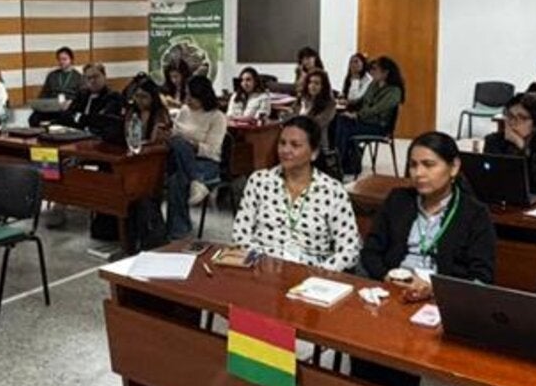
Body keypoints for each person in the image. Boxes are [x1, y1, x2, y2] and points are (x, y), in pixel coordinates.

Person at [355, 131, 496, 386]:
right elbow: (371, 251)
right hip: (392, 294)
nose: (419, 173)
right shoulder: (399, 200)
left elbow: (482, 277)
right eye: (413, 165)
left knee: (403, 351)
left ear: (453, 167)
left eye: (429, 165)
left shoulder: (474, 213)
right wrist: (386, 276)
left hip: (439, 302)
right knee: (365, 345)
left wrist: (434, 288)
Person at [230, 115, 361, 271]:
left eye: (295, 145)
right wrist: (260, 264)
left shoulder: (332, 191)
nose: (285, 150)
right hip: (262, 267)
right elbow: (240, 234)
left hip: (311, 272)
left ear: (314, 153)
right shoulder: (259, 181)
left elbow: (350, 248)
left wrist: (321, 273)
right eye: (282, 143)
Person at [165, 75, 228, 238]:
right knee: (177, 143)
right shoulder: (184, 111)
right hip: (181, 159)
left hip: (207, 163)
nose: (187, 100)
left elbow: (213, 151)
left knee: (176, 179)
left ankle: (177, 232)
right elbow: (174, 134)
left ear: (203, 96)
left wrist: (192, 146)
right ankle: (196, 181)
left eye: (192, 97)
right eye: (186, 95)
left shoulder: (217, 117)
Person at [333, 56, 405, 177]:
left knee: (345, 128)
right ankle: (343, 163)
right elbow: (362, 100)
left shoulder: (394, 91)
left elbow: (377, 109)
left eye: (375, 69)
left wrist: (357, 115)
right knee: (339, 120)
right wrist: (348, 103)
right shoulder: (374, 84)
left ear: (385, 72)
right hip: (365, 121)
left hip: (379, 127)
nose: (372, 72)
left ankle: (340, 164)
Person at [292, 67, 337, 166]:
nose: (312, 86)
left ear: (323, 86)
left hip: (317, 145)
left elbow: (316, 124)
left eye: (317, 83)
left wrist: (303, 115)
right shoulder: (302, 99)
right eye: (310, 82)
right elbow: (292, 116)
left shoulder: (330, 104)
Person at [70, 63, 127, 139]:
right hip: (77, 136)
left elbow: (101, 120)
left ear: (104, 76)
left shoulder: (113, 96)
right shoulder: (82, 95)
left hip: (99, 139)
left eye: (96, 76)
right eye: (89, 78)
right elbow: (69, 114)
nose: (92, 81)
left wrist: (80, 118)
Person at [29, 47, 83, 126]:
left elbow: (81, 97)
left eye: (64, 59)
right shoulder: (52, 75)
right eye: (59, 59)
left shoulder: (78, 77)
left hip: (68, 107)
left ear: (71, 60)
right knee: (33, 118)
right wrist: (39, 104)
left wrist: (71, 103)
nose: (61, 62)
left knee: (64, 118)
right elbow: (44, 93)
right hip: (52, 106)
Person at [125, 75, 173, 145]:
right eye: (137, 96)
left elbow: (155, 140)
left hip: (154, 151)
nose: (139, 100)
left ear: (153, 97)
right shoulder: (132, 111)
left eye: (144, 97)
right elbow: (128, 134)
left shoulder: (161, 113)